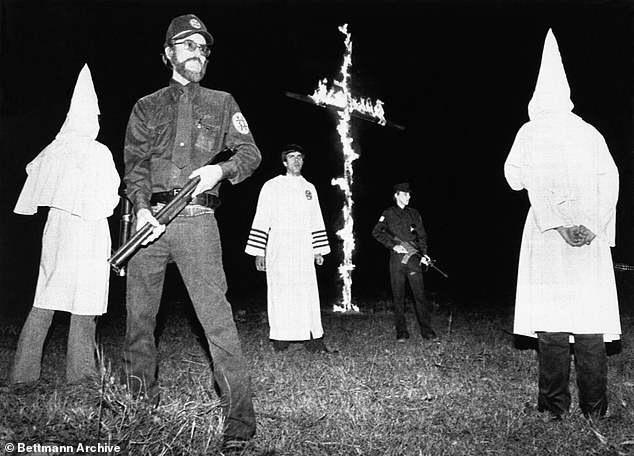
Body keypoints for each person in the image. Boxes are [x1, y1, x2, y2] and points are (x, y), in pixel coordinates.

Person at [122, 14, 260, 447]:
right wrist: (142, 209)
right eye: (188, 45)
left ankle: (239, 423)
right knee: (139, 323)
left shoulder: (222, 102)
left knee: (217, 323)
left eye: (203, 46)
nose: (198, 52)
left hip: (199, 223)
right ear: (168, 54)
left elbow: (250, 152)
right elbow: (135, 167)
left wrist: (219, 170)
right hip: (149, 228)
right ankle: (139, 409)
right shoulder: (146, 106)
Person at [504, 29, 621, 420]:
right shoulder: (590, 133)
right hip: (588, 238)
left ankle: (554, 407)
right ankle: (595, 407)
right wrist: (591, 224)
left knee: (552, 319)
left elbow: (515, 178)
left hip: (548, 236)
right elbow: (611, 181)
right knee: (587, 320)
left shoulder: (530, 132)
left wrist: (559, 223)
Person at [11, 64, 120, 385]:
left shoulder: (54, 149)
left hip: (57, 231)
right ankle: (81, 377)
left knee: (45, 299)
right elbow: (110, 197)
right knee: (84, 304)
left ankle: (22, 376)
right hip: (89, 231)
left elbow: (33, 178)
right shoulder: (99, 152)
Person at [245, 144, 331, 353]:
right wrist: (259, 251)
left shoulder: (309, 188)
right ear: (284, 162)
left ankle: (313, 340)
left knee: (306, 291)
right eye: (291, 157)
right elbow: (262, 217)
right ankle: (281, 340)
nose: (296, 161)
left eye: (299, 157)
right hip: (279, 246)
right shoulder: (272, 186)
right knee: (281, 291)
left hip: (303, 247)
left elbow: (316, 219)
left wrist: (317, 249)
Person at [372, 183, 437, 342]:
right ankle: (402, 332)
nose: (409, 196)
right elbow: (376, 232)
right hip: (397, 260)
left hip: (414, 258)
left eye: (409, 194)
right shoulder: (388, 213)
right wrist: (394, 245)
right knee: (398, 296)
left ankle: (427, 331)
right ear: (397, 195)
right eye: (405, 194)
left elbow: (422, 236)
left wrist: (425, 254)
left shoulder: (414, 213)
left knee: (419, 295)